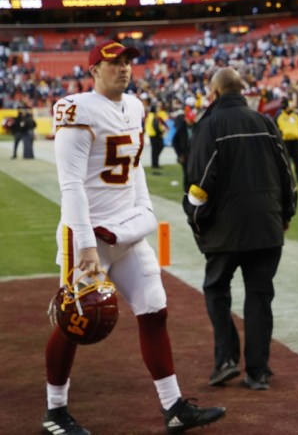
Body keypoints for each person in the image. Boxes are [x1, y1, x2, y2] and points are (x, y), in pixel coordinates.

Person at [46, 39, 225, 435]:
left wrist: (142, 212)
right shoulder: (77, 110)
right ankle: (55, 411)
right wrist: (87, 247)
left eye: (128, 61)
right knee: (73, 321)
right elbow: (71, 185)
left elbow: (135, 168)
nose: (124, 68)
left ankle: (174, 406)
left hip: (128, 230)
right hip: (88, 235)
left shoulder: (135, 106)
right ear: (93, 70)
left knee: (155, 311)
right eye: (113, 62)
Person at [183, 67, 297, 391]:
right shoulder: (264, 122)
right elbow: (285, 174)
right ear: (242, 90)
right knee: (260, 296)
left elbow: (200, 184)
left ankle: (226, 360)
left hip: (225, 230)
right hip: (266, 226)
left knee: (217, 290)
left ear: (214, 93)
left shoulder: (209, 126)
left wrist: (196, 220)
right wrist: (286, 214)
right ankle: (258, 371)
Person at [275, 98, 298, 182]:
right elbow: (275, 128)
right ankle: (285, 178)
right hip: (285, 141)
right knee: (284, 161)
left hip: (295, 141)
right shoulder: (279, 116)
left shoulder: (296, 116)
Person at [145, 101, 167, 170]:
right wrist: (160, 132)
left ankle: (155, 163)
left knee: (154, 150)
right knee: (158, 148)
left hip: (151, 134)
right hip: (155, 135)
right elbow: (155, 126)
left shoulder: (149, 115)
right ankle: (155, 164)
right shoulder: (153, 116)